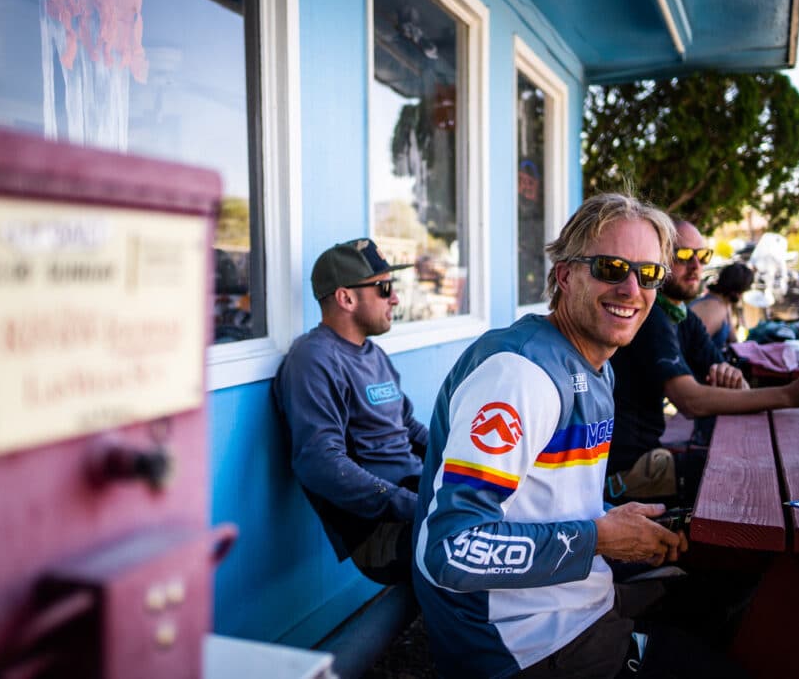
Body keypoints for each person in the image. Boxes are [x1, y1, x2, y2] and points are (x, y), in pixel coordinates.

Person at [413, 194, 734, 678]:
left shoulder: (596, 365)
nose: (632, 288)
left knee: (723, 590)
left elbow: (543, 503)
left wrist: (611, 521)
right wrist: (599, 538)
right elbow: (451, 550)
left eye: (648, 274)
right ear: (565, 276)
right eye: (611, 268)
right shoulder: (520, 376)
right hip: (524, 642)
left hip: (575, 602)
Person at [607, 220, 799, 506]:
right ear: (658, 261)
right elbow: (689, 401)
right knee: (753, 483)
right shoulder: (652, 316)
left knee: (756, 472)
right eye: (683, 255)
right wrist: (790, 394)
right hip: (626, 471)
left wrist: (734, 378)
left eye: (703, 256)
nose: (696, 265)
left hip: (650, 453)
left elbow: (737, 387)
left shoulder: (683, 316)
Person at [273, 238, 428, 584]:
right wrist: (414, 505)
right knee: (490, 548)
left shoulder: (373, 354)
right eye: (384, 288)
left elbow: (408, 427)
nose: (396, 298)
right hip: (380, 531)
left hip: (415, 496)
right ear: (346, 298)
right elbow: (320, 462)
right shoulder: (313, 360)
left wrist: (466, 464)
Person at [689, 262, 754, 350]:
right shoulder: (713, 309)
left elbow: (733, 339)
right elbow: (692, 348)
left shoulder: (725, 304)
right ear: (737, 291)